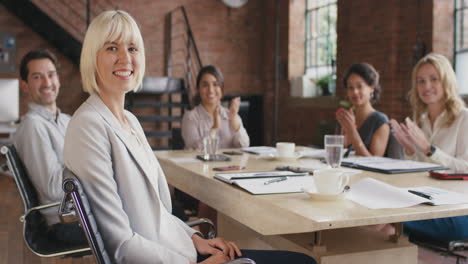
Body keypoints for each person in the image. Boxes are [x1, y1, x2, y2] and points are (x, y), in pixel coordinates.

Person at [64, 10, 316, 264]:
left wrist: (196, 238)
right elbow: (118, 245)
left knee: (301, 260)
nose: (125, 58)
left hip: (180, 250)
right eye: (111, 48)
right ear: (92, 57)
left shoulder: (130, 121)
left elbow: (158, 213)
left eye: (132, 48)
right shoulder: (88, 126)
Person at [390, 53, 468, 243]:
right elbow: (423, 171)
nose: (426, 86)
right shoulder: (421, 120)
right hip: (429, 200)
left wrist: (429, 150)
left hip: (458, 209)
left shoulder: (464, 118)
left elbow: (466, 167)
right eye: (421, 81)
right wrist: (409, 150)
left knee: (389, 223)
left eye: (434, 79)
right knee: (384, 216)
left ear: (446, 81)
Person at [13, 49, 87, 246]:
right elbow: (55, 190)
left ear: (58, 80)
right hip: (66, 220)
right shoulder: (32, 126)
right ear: (25, 85)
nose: (47, 83)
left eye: (51, 74)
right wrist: (90, 163)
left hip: (85, 210)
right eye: (37, 77)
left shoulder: (66, 121)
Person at [181, 65, 249, 150]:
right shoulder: (190, 117)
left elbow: (244, 145)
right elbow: (194, 149)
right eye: (205, 85)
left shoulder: (231, 115)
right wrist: (214, 128)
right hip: (201, 164)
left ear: (221, 88)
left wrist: (234, 120)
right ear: (198, 89)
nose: (211, 90)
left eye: (215, 84)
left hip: (230, 163)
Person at [335, 63, 392, 157]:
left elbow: (374, 162)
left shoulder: (380, 121)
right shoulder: (346, 117)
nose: (355, 92)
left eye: (359, 86)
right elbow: (336, 155)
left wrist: (352, 132)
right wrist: (343, 139)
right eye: (350, 87)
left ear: (371, 88)